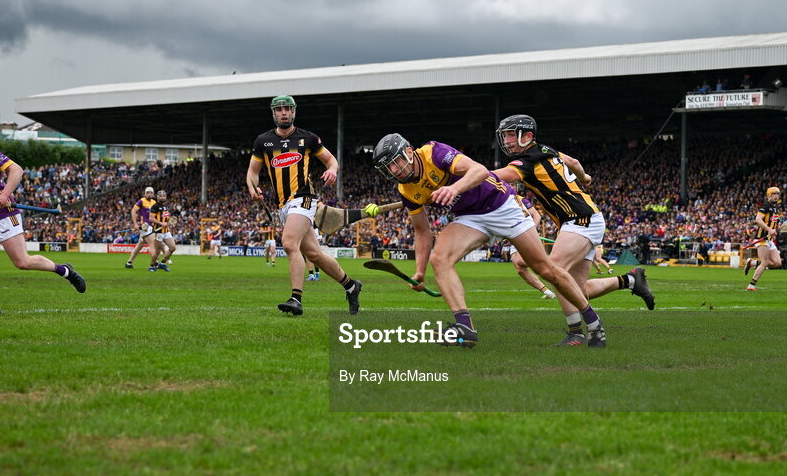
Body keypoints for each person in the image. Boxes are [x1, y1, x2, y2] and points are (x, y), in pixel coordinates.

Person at [372, 132, 607, 348]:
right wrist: (419, 272)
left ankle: (593, 322)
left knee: (546, 270)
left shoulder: (434, 152)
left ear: (409, 151)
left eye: (396, 161)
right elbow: (422, 231)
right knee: (440, 258)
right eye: (388, 167)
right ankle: (465, 327)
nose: (395, 169)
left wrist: (454, 189)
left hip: (502, 204)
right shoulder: (406, 190)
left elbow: (479, 171)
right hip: (470, 217)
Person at [490, 115, 655, 346]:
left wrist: (463, 177)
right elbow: (574, 162)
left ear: (527, 136)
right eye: (504, 135)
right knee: (577, 289)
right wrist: (584, 178)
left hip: (581, 219)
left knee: (554, 271)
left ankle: (577, 333)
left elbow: (495, 177)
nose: (506, 141)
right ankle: (630, 280)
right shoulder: (548, 150)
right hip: (581, 220)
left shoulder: (528, 159)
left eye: (510, 135)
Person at [0, 117, 86, 314]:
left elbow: (16, 170)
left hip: (4, 215)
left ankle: (65, 271)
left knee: (22, 262)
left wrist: (4, 195)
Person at [246, 95, 361, 316]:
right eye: (279, 109)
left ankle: (295, 299)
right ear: (273, 113)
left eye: (288, 109)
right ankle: (351, 285)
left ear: (294, 112)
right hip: (283, 205)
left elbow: (330, 160)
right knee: (314, 254)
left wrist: (332, 170)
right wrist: (253, 188)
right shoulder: (263, 141)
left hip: (304, 197)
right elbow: (252, 172)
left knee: (289, 243)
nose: (284, 113)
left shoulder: (308, 138)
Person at [503, 197, 555, 300]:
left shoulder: (521, 200)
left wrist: (530, 229)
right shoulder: (500, 200)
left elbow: (536, 215)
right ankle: (548, 292)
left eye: (513, 184)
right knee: (520, 269)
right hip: (513, 235)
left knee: (521, 262)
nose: (511, 186)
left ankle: (554, 260)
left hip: (526, 234)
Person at [745, 186, 783, 291]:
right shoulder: (765, 206)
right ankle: (751, 285)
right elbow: (758, 220)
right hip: (762, 238)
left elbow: (773, 223)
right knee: (765, 262)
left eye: (777, 194)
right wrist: (769, 230)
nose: (776, 196)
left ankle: (752, 262)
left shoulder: (776, 208)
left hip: (769, 239)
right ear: (768, 196)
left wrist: (775, 229)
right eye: (773, 194)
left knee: (777, 263)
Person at [124, 187, 157, 269]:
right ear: (145, 193)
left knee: (140, 245)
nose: (149, 194)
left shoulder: (154, 202)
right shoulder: (141, 201)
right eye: (147, 192)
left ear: (153, 194)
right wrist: (135, 223)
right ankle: (155, 263)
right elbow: (133, 211)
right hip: (145, 226)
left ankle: (129, 262)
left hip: (151, 226)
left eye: (151, 193)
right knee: (152, 244)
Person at [148, 189, 176, 272]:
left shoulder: (165, 207)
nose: (163, 197)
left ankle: (162, 263)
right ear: (158, 197)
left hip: (166, 231)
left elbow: (166, 218)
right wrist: (161, 223)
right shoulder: (155, 206)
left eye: (164, 196)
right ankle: (151, 266)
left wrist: (169, 221)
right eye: (161, 196)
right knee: (157, 251)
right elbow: (151, 218)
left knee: (172, 248)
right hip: (158, 231)